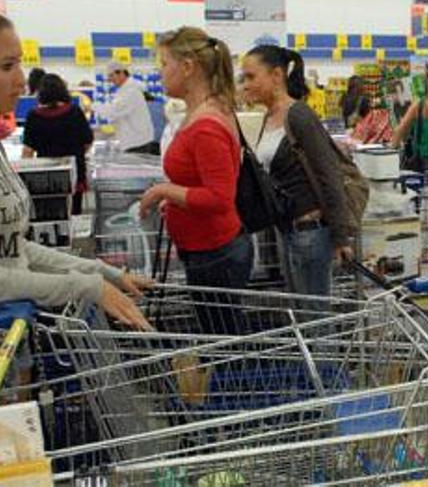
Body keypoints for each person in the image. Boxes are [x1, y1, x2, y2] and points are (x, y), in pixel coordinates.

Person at [0, 15, 151, 330]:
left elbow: (16, 248)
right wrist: (86, 286)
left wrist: (102, 273)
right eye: (6, 66)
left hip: (14, 330)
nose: (22, 81)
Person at [139, 27, 253, 334]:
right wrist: (175, 198)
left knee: (223, 345)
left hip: (216, 254)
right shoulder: (203, 113)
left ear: (188, 67)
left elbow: (219, 198)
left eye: (164, 64)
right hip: (207, 250)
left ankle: (224, 383)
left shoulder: (206, 125)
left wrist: (164, 190)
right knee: (221, 339)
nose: (159, 73)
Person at [240, 45, 355, 301]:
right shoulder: (268, 117)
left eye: (251, 76)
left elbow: (329, 175)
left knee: (315, 321)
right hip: (287, 231)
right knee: (302, 317)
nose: (245, 84)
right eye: (243, 78)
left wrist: (340, 237)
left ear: (277, 75)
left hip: (311, 234)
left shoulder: (299, 115)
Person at [22, 74, 93, 214]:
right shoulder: (74, 112)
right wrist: (76, 154)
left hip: (46, 175)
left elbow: (28, 151)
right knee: (74, 212)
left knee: (49, 213)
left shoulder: (34, 116)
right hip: (74, 171)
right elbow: (88, 141)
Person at [94, 61, 157, 155]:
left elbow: (114, 110)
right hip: (136, 141)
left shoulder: (131, 91)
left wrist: (93, 106)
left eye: (112, 75)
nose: (110, 80)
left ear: (121, 73)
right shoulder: (126, 90)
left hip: (137, 143)